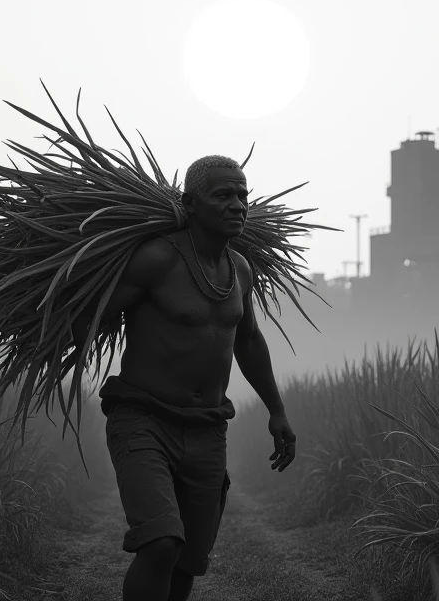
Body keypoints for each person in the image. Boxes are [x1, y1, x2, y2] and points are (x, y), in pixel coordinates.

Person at [71, 154, 297, 601]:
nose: (238, 205)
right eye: (223, 195)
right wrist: (67, 288)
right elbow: (87, 320)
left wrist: (277, 411)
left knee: (188, 561)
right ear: (189, 204)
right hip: (143, 419)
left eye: (243, 196)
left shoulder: (241, 270)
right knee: (160, 544)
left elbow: (248, 341)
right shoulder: (157, 259)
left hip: (208, 427)